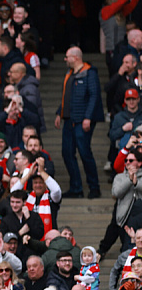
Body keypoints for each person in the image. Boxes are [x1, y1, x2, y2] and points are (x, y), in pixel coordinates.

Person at [55, 46, 103, 199]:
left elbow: (94, 96)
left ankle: (94, 187)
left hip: (82, 120)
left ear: (75, 57)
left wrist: (88, 117)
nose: (65, 59)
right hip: (69, 120)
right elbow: (66, 96)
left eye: (67, 56)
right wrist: (59, 112)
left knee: (84, 153)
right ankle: (76, 188)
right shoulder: (69, 74)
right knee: (67, 153)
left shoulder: (89, 72)